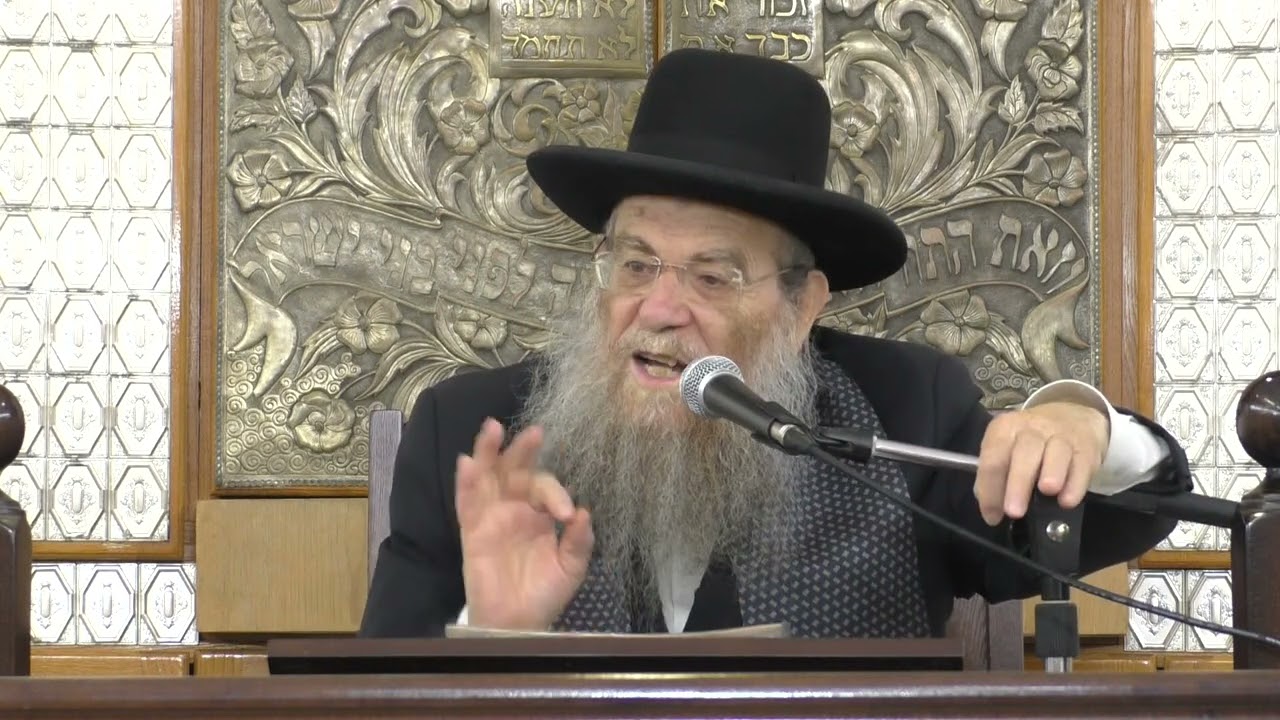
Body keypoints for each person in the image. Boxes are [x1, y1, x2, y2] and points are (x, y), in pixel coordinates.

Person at [359, 48, 1188, 639]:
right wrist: (495, 638)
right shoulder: (469, 435)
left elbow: (1125, 516)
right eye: (637, 264)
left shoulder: (905, 412)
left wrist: (1082, 428)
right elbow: (380, 707)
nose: (660, 308)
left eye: (713, 277)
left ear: (800, 309)